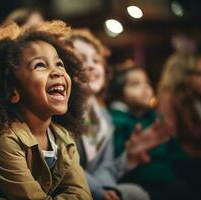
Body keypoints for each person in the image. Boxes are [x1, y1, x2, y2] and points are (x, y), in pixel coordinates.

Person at [0, 21, 92, 199]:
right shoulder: (4, 141)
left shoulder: (63, 138)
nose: (57, 72)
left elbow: (82, 194)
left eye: (59, 64)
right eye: (40, 65)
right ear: (13, 92)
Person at [65, 29, 160, 200]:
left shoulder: (103, 117)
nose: (92, 65)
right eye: (81, 58)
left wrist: (128, 159)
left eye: (96, 60)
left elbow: (105, 168)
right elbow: (65, 167)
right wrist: (98, 192)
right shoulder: (59, 113)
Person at [108, 66, 191, 200]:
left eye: (147, 83)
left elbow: (176, 153)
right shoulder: (116, 121)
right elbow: (118, 166)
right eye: (135, 84)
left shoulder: (155, 118)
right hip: (143, 185)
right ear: (119, 92)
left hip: (171, 180)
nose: (145, 88)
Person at [157, 52, 201, 199]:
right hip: (180, 164)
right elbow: (171, 144)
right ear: (183, 75)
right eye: (200, 74)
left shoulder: (197, 99)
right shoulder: (168, 98)